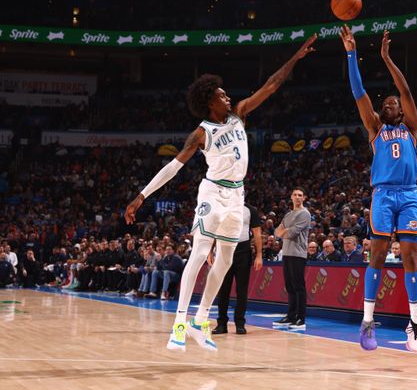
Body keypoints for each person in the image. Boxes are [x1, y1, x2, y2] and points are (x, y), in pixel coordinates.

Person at [124, 34, 317, 352]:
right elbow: (173, 167)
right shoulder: (202, 132)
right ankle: (180, 324)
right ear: (209, 103)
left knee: (225, 259)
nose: (228, 98)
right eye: (222, 96)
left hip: (237, 196)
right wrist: (141, 195)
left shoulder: (240, 113)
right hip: (212, 193)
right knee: (200, 254)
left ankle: (200, 320)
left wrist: (295, 58)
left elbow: (271, 85)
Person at [341, 25, 417, 353]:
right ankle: (367, 321)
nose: (388, 105)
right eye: (385, 103)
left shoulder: (412, 127)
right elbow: (358, 91)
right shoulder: (375, 127)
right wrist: (351, 54)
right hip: (383, 195)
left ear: (401, 111)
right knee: (376, 254)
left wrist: (387, 58)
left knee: (410, 256)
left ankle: (415, 324)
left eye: (393, 103)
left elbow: (406, 91)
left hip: (409, 194)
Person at [212, 203, 262, 335]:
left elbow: (257, 232)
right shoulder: (221, 208)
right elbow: (214, 230)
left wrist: (259, 255)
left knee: (242, 289)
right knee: (223, 289)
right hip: (224, 249)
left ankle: (240, 323)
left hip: (243, 250)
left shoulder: (251, 210)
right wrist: (210, 251)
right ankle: (221, 324)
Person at [274, 188, 312, 329]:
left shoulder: (305, 214)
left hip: (298, 254)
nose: (297, 197)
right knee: (289, 287)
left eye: (300, 195)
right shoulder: (289, 214)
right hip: (287, 253)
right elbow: (276, 231)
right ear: (291, 197)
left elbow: (292, 233)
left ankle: (300, 319)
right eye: (295, 195)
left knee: (298, 287)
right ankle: (291, 316)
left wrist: (283, 231)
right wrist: (283, 231)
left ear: (304, 198)